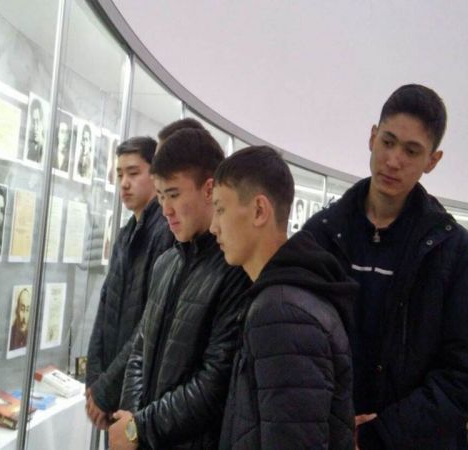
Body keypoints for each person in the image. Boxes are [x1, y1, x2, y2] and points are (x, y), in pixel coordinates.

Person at [303, 84, 468, 449]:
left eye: (411, 150)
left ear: (432, 161)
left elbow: (465, 375)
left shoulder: (454, 251)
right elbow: (298, 342)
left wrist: (380, 434)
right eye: (388, 142)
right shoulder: (320, 234)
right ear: (372, 137)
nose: (393, 160)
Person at [96, 128, 250, 449]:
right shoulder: (166, 263)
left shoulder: (234, 269)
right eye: (161, 195)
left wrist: (139, 427)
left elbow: (214, 381)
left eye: (174, 194)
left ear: (209, 189)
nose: (165, 208)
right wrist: (132, 420)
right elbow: (140, 351)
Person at [211, 146, 357, 449]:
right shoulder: (288, 298)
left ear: (259, 211)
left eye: (221, 209)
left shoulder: (281, 312)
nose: (214, 227)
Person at [86, 137, 173, 426]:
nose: (124, 183)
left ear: (155, 174)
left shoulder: (165, 234)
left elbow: (149, 323)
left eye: (134, 173)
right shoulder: (125, 234)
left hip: (136, 392)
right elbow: (105, 305)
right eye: (120, 174)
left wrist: (105, 388)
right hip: (111, 387)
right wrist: (94, 382)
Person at [26, 98, 45, 163]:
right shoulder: (30, 147)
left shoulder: (46, 151)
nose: (35, 127)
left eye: (37, 121)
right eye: (33, 122)